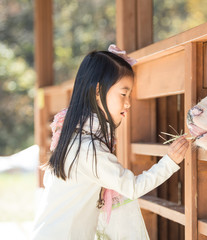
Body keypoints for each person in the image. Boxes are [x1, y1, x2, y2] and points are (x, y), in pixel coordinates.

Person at [31, 45, 189, 240]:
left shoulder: (70, 136)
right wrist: (170, 161)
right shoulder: (90, 149)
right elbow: (132, 187)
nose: (129, 102)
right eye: (124, 94)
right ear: (98, 91)